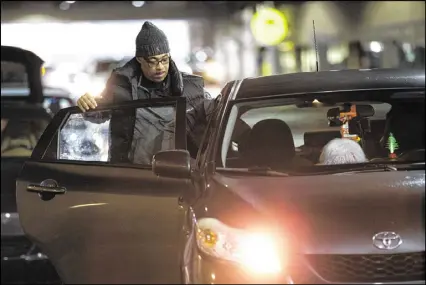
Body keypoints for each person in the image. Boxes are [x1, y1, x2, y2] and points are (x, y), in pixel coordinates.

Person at [76, 21, 215, 164]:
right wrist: (87, 105)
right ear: (139, 60)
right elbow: (100, 113)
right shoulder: (121, 85)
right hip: (131, 171)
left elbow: (210, 117)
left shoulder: (191, 87)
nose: (160, 67)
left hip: (176, 171)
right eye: (152, 61)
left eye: (164, 60)